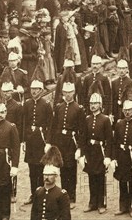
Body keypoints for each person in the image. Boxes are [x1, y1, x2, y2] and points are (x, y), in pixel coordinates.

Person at [47, 77, 85, 208]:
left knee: (71, 170)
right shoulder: (58, 107)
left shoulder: (78, 109)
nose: (67, 95)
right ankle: (64, 196)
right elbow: (53, 126)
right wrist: (49, 143)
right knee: (62, 169)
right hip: (60, 142)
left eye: (69, 92)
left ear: (73, 93)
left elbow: (82, 130)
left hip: (71, 142)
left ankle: (72, 198)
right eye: (65, 92)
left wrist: (80, 148)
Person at [78, 91, 113, 214]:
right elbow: (83, 137)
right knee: (91, 177)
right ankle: (92, 203)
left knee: (100, 178)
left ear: (100, 104)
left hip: (100, 152)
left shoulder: (105, 119)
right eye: (91, 103)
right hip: (90, 152)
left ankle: (101, 203)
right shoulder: (87, 119)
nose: (93, 106)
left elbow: (109, 139)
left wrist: (108, 156)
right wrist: (82, 154)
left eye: (95, 103)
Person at [22, 77, 53, 206]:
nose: (34, 91)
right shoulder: (27, 104)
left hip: (41, 140)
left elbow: (50, 125)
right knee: (31, 169)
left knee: (41, 168)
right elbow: (24, 123)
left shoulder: (46, 105)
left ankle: (42, 193)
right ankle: (33, 193)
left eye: (37, 89)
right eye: (32, 89)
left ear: (41, 90)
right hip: (30, 140)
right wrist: (23, 140)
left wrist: (48, 142)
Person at [30, 146, 70, 220]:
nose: (46, 177)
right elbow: (34, 215)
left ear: (56, 176)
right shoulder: (38, 192)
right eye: (45, 174)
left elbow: (65, 217)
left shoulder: (62, 194)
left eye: (50, 174)